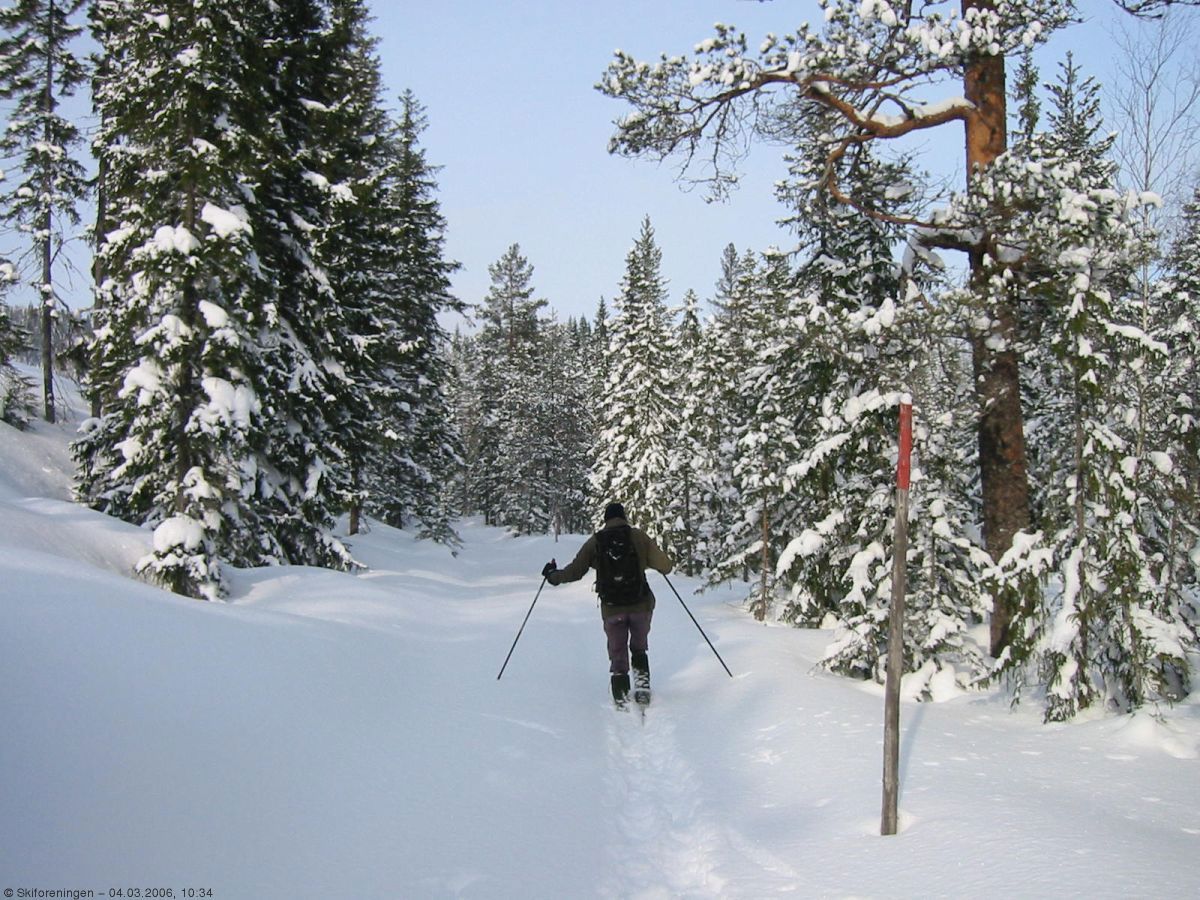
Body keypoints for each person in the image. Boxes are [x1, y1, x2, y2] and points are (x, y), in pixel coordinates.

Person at [541, 502, 673, 706]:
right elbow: (665, 566)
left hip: (612, 608)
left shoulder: (596, 541)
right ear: (624, 517)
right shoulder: (638, 536)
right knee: (639, 647)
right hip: (640, 604)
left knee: (617, 649)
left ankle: (620, 692)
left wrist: (552, 576)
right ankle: (642, 686)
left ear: (605, 519)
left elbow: (575, 571)